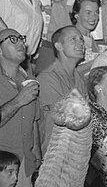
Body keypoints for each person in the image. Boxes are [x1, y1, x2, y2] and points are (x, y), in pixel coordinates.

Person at [0, 29, 41, 187]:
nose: (20, 42)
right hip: (0, 166)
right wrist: (19, 100)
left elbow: (34, 121)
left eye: (21, 38)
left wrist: (37, 154)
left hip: (25, 164)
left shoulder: (28, 79)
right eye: (12, 39)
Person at [37, 27, 86, 158]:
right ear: (59, 46)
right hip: (55, 154)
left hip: (76, 152)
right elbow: (63, 117)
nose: (80, 43)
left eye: (81, 39)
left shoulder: (78, 78)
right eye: (73, 39)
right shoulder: (48, 78)